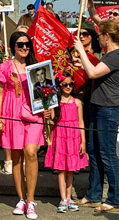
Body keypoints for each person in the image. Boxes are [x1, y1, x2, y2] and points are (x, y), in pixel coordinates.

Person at [72, 20, 119, 213]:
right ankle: (94, 194)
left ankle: (114, 198)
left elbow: (93, 73)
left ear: (106, 36)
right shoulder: (108, 55)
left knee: (108, 155)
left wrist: (80, 51)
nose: (98, 38)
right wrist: (81, 62)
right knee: (94, 152)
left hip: (109, 109)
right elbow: (94, 70)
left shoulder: (116, 55)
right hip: (98, 107)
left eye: (100, 35)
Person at [0, 31, 42, 219]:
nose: (24, 47)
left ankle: (31, 200)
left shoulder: (36, 67)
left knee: (30, 152)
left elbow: (45, 91)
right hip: (11, 112)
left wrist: (48, 108)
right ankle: (21, 199)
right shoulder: (5, 67)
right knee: (16, 156)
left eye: (27, 44)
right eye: (20, 44)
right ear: (13, 46)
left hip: (33, 112)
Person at [44, 72, 87, 213]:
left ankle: (69, 197)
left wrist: (83, 141)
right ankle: (63, 198)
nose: (68, 87)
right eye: (65, 84)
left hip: (74, 136)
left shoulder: (77, 102)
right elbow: (51, 121)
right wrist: (48, 121)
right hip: (60, 136)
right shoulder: (54, 102)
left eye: (70, 84)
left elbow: (81, 122)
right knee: (61, 169)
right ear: (60, 86)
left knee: (71, 169)